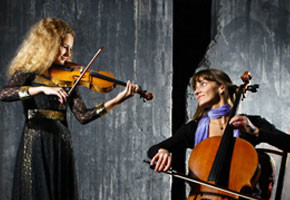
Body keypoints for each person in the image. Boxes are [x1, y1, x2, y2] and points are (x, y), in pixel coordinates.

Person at [0, 17, 139, 200]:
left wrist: (118, 100)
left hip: (61, 141)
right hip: (36, 141)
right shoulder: (28, 71)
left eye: (70, 48)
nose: (67, 53)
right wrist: (41, 88)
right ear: (48, 44)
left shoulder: (68, 76)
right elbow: (5, 94)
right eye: (64, 46)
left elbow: (83, 116)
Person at [147, 68, 290, 199]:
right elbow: (153, 150)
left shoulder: (248, 123)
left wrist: (257, 132)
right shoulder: (194, 128)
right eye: (195, 87)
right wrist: (162, 151)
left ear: (221, 87)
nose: (196, 91)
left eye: (202, 84)